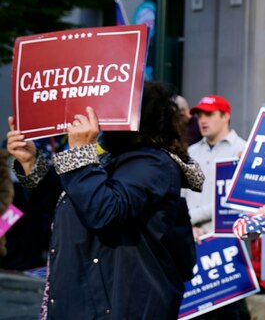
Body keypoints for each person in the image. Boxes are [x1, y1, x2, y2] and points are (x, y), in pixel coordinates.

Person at [6, 81, 204, 319]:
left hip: (120, 305)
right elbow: (66, 200)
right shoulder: (109, 159)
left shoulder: (154, 164)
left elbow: (102, 210)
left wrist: (81, 152)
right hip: (83, 299)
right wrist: (31, 162)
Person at [185, 94, 247, 239]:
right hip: (189, 234)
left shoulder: (242, 150)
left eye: (209, 114)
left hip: (225, 238)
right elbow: (181, 193)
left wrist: (189, 218)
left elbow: (236, 200)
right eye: (199, 116)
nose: (202, 120)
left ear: (225, 116)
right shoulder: (190, 151)